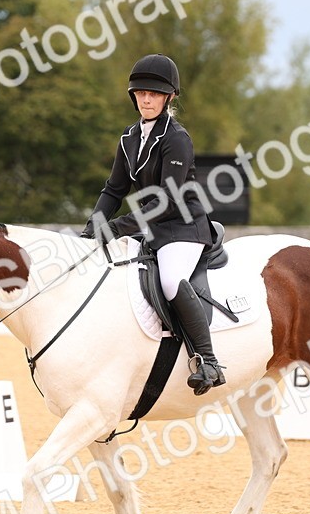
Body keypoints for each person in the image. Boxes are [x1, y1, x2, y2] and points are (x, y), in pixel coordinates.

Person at [79, 53, 225, 395]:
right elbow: (114, 189)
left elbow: (167, 200)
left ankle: (207, 360)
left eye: (154, 93)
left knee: (172, 280)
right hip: (152, 228)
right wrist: (91, 228)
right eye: (141, 92)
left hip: (183, 228)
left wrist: (115, 228)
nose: (146, 98)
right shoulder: (129, 138)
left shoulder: (176, 138)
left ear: (169, 97)